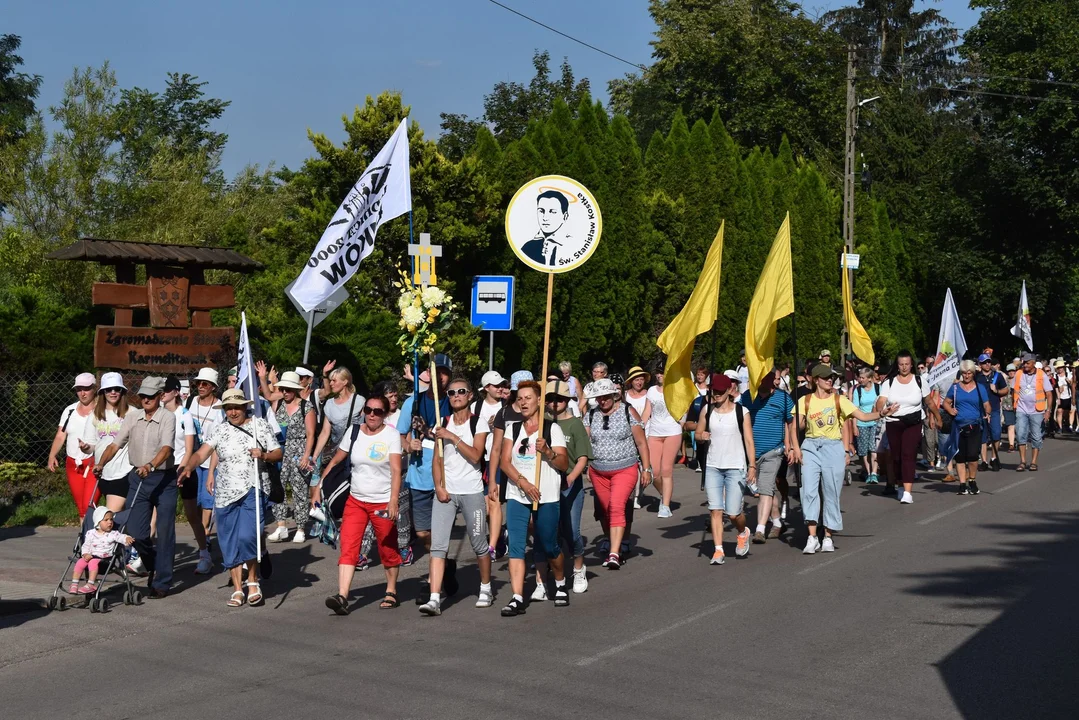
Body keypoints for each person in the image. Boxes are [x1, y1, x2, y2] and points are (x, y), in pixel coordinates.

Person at [178, 388, 281, 607]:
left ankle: (253, 581)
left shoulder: (258, 426)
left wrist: (263, 455)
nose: (233, 412)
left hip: (253, 488)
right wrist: (188, 467)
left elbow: (277, 452)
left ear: (245, 406)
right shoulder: (220, 429)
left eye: (236, 407)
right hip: (225, 494)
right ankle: (237, 588)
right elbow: (201, 452)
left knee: (248, 536)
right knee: (229, 541)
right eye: (228, 408)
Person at [789, 364, 896, 554]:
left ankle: (828, 536)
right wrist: (795, 448)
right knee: (809, 491)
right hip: (811, 447)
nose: (830, 380)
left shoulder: (840, 400)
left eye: (831, 377)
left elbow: (862, 416)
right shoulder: (805, 400)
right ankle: (812, 536)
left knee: (831, 491)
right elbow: (794, 427)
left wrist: (881, 414)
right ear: (815, 380)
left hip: (833, 447)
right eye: (825, 377)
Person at [318, 394, 402, 614]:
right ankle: (343, 595)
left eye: (378, 411)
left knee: (387, 547)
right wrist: (320, 484)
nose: (372, 415)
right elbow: (337, 458)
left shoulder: (391, 435)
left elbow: (395, 470)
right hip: (356, 500)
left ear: (385, 414)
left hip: (382, 501)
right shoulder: (354, 431)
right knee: (349, 546)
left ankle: (391, 589)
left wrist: (393, 501)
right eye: (368, 410)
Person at [96, 377, 177, 599]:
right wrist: (101, 463)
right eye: (142, 396)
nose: (145, 400)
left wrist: (151, 465)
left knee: (165, 530)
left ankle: (162, 581)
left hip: (163, 478)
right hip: (138, 478)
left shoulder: (167, 417)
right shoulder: (133, 417)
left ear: (160, 396)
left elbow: (167, 449)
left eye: (150, 396)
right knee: (136, 532)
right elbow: (115, 444)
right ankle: (153, 565)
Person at [419, 379, 493, 615]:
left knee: (479, 543)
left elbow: (475, 456)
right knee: (438, 547)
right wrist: (439, 486)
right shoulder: (443, 422)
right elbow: (437, 460)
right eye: (451, 392)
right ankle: (434, 598)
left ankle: (486, 588)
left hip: (472, 491)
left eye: (461, 391)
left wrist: (451, 437)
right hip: (447, 492)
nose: (456, 395)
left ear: (470, 395)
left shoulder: (477, 423)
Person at [497, 381, 570, 616]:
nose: (523, 402)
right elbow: (504, 461)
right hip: (518, 494)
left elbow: (564, 464)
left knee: (549, 544)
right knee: (517, 546)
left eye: (528, 398)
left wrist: (548, 452)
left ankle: (559, 582)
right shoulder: (513, 429)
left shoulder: (552, 429)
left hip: (546, 494)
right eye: (520, 398)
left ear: (539, 401)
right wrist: (523, 483)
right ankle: (517, 597)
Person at [583, 378, 652, 569]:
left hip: (625, 469)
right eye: (598, 397)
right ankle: (612, 539)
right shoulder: (590, 415)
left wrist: (646, 469)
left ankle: (614, 553)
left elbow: (641, 444)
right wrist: (586, 465)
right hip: (599, 472)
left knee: (616, 506)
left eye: (605, 396)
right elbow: (583, 443)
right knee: (605, 510)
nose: (602, 400)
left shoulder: (627, 412)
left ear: (614, 395)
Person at [398, 354, 452, 594]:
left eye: (444, 371)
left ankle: (433, 582)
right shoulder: (414, 402)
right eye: (435, 371)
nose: (439, 376)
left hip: (446, 475)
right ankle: (442, 561)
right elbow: (401, 435)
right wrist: (410, 445)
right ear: (427, 374)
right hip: (419, 473)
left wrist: (428, 431)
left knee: (439, 529)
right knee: (422, 531)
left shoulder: (453, 401)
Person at [533, 380, 593, 596]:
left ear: (567, 400)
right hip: (547, 482)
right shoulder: (542, 423)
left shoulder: (574, 424)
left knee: (571, 531)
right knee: (546, 532)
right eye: (549, 399)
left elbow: (583, 457)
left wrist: (572, 477)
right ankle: (544, 576)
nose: (554, 403)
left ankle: (578, 568)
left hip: (569, 484)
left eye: (559, 399)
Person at [696, 374, 755, 564]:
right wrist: (701, 436)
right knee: (715, 510)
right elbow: (697, 432)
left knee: (733, 513)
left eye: (721, 391)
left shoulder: (741, 411)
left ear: (729, 391)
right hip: (713, 466)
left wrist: (752, 466)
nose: (717, 395)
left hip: (735, 466)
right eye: (715, 392)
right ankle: (718, 550)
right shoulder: (707, 410)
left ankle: (742, 531)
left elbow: (748, 440)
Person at [162, 375, 211, 575]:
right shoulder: (158, 413)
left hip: (183, 468)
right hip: (163, 469)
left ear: (175, 392)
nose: (161, 394)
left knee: (192, 515)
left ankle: (204, 554)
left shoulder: (184, 415)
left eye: (165, 390)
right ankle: (150, 557)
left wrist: (182, 469)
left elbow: (190, 448)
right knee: (160, 515)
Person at [741, 370, 794, 542]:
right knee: (767, 489)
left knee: (765, 489)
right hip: (751, 453)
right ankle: (777, 522)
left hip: (773, 451)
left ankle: (760, 529)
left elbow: (790, 422)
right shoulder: (747, 397)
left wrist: (790, 446)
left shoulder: (783, 398)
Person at [878, 351, 937, 504]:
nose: (904, 367)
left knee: (908, 455)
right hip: (893, 422)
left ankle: (908, 492)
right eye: (901, 364)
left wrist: (936, 416)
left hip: (913, 422)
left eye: (907, 364)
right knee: (896, 457)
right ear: (897, 366)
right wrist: (881, 410)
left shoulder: (919, 381)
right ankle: (900, 485)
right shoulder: (889, 382)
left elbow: (929, 402)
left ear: (912, 365)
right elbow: (881, 401)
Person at [265, 371, 317, 544]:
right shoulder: (278, 404)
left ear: (295, 390)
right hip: (280, 450)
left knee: (300, 490)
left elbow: (310, 434)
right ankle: (281, 526)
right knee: (277, 487)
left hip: (298, 450)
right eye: (283, 389)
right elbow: (266, 395)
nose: (285, 392)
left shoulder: (306, 407)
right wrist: (262, 377)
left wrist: (306, 455)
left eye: (288, 389)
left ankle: (301, 527)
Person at [78, 372, 132, 513]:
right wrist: (85, 447)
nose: (113, 392)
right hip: (103, 471)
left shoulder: (132, 413)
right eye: (108, 389)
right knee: (120, 515)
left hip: (124, 470)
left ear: (122, 391)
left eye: (117, 389)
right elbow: (91, 446)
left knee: (111, 513)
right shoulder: (96, 414)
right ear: (102, 392)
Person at [47, 372, 97, 519]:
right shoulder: (69, 411)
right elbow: (60, 435)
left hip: (94, 464)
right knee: (81, 508)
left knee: (89, 505)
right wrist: (52, 456)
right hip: (72, 464)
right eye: (78, 389)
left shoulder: (102, 410)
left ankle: (96, 538)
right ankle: (85, 540)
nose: (82, 393)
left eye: (86, 388)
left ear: (94, 388)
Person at [942, 360, 992, 496]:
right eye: (964, 373)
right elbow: (946, 402)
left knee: (972, 455)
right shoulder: (956, 388)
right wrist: (950, 410)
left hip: (975, 424)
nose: (967, 375)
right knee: (960, 456)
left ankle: (972, 480)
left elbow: (987, 404)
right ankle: (962, 484)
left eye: (969, 373)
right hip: (958, 426)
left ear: (973, 373)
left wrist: (988, 412)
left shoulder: (980, 387)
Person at [188, 367, 224, 539]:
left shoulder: (219, 408)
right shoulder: (191, 401)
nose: (200, 386)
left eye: (205, 384)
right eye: (198, 383)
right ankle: (199, 526)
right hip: (193, 455)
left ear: (213, 387)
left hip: (210, 456)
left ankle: (205, 529)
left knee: (208, 494)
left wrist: (212, 468)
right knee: (194, 496)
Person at [69, 506, 134, 595]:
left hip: (104, 560)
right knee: (80, 562)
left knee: (92, 562)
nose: (110, 522)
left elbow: (121, 537)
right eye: (106, 520)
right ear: (98, 522)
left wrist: (127, 538)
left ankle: (90, 585)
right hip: (89, 556)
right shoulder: (90, 533)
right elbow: (86, 545)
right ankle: (74, 584)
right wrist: (85, 554)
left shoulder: (113, 534)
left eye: (111, 519)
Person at [646, 370, 684, 518]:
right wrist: (639, 427)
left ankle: (666, 505)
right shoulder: (651, 391)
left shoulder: (676, 389)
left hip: (672, 432)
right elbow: (646, 412)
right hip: (654, 433)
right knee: (654, 472)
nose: (659, 376)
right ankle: (665, 493)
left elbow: (683, 408)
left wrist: (683, 420)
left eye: (662, 373)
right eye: (657, 373)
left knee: (666, 470)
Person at [312, 367, 365, 467]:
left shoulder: (360, 401)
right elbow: (325, 432)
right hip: (336, 453)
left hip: (354, 452)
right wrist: (315, 455)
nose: (331, 383)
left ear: (345, 381)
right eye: (330, 380)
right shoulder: (329, 404)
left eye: (334, 380)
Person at [1012, 352, 1053, 471]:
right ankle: (1023, 462)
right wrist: (1014, 405)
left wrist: (1048, 410)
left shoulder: (1041, 375)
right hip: (1021, 409)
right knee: (1020, 434)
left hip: (1037, 410)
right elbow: (1013, 390)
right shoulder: (1019, 374)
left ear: (1034, 363)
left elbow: (1049, 393)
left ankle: (1034, 462)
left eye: (1027, 363)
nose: (1025, 365)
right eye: (1024, 363)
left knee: (1036, 436)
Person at [850, 367, 883, 484]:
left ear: (869, 378)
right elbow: (855, 409)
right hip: (861, 423)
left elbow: (882, 403)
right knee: (864, 450)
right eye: (859, 377)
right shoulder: (857, 391)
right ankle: (868, 472)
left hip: (876, 422)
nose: (860, 380)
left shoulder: (878, 388)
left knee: (874, 448)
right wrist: (854, 426)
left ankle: (874, 473)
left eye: (863, 378)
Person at [522, 189, 572, 266]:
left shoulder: (572, 246)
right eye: (541, 211)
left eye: (552, 212)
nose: (545, 217)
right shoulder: (528, 247)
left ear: (565, 216)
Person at [1053, 359, 1072, 436]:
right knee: (1059, 411)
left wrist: (1069, 382)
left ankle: (1066, 425)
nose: (1060, 369)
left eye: (1061, 367)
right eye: (1059, 367)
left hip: (1068, 395)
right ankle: (1060, 427)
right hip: (1060, 396)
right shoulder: (1055, 376)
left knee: (1066, 413)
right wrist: (1058, 397)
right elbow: (1055, 387)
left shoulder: (1068, 374)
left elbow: (1072, 384)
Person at [1002, 363, 1018, 452]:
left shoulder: (1019, 380)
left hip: (1020, 406)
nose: (1011, 373)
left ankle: (1021, 443)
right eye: (1010, 371)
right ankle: (1011, 445)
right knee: (1010, 425)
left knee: (1020, 426)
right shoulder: (1004, 381)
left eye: (1013, 371)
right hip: (1007, 406)